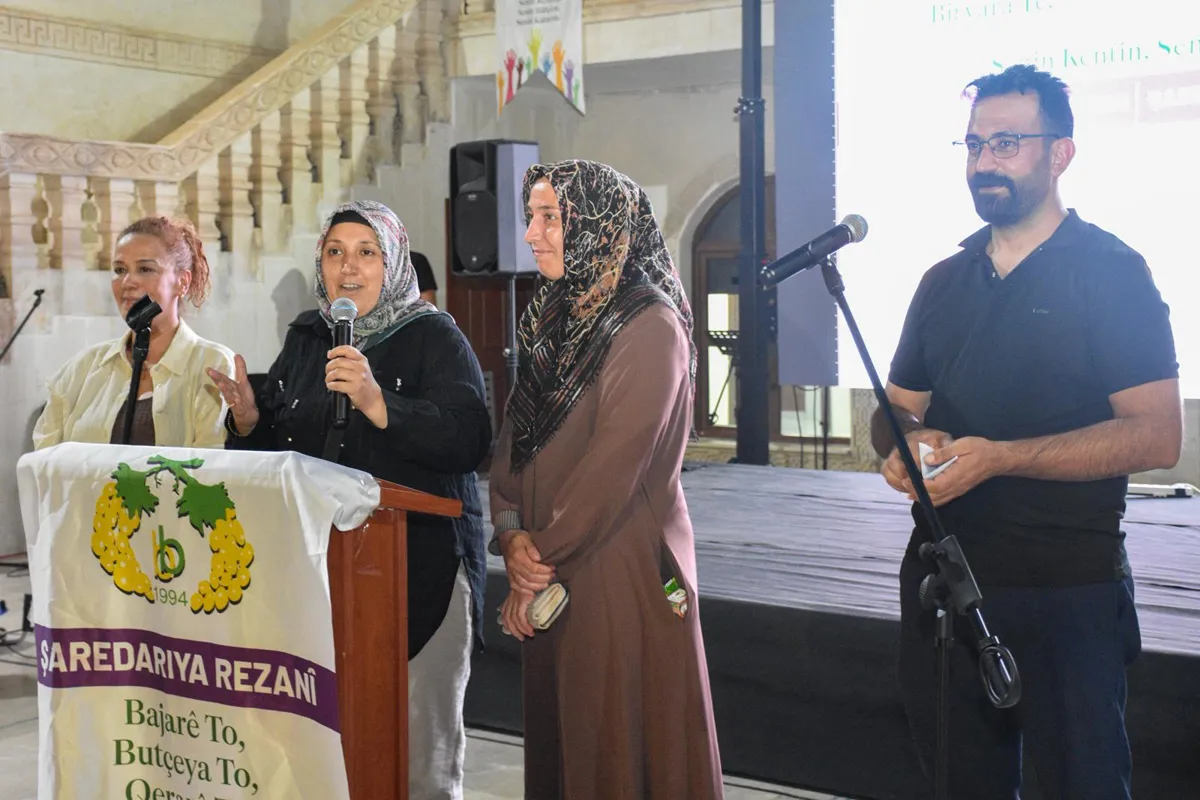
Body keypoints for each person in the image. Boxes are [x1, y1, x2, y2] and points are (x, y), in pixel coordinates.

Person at [871, 65, 1181, 799]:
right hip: (946, 583)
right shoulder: (942, 280)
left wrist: (1001, 459)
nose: (984, 162)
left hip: (1065, 590)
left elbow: (1156, 436)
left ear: (1060, 153)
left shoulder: (1113, 272)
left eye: (1006, 143)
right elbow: (895, 406)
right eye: (974, 144)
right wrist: (903, 442)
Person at [207, 201, 491, 800]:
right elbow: (283, 445)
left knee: (418, 757)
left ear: (393, 263)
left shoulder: (433, 336)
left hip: (420, 569)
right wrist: (249, 420)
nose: (349, 267)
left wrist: (379, 403)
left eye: (367, 253)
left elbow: (470, 441)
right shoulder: (309, 337)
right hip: (321, 571)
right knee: (331, 747)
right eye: (335, 252)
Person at [490, 160, 724, 799]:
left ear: (598, 225)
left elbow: (614, 468)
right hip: (553, 565)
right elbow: (512, 442)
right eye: (531, 216)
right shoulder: (553, 316)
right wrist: (511, 533)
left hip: (620, 568)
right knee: (571, 744)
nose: (532, 234)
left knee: (617, 742)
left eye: (550, 218)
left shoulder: (649, 324)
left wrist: (536, 559)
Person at [33, 216, 234, 449]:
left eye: (145, 269)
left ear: (182, 282)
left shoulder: (213, 364)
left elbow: (212, 462)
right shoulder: (83, 367)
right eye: (120, 270)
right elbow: (42, 460)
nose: (127, 282)